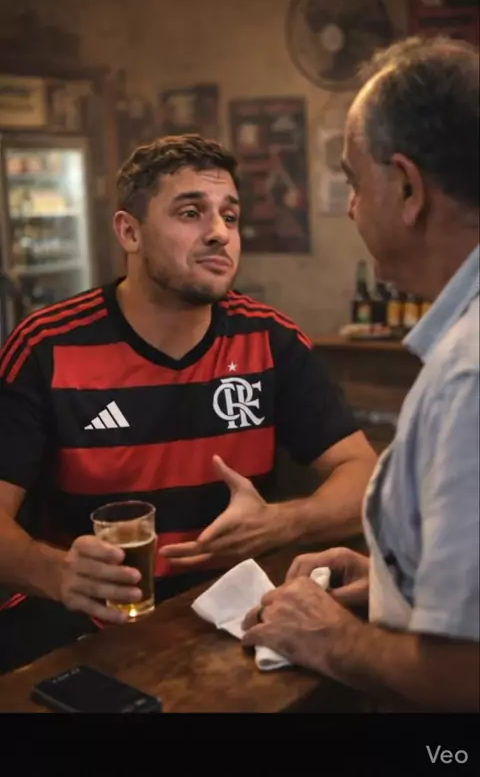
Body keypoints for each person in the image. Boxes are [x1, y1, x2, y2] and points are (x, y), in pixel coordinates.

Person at [0, 134, 376, 674]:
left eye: (230, 215)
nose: (219, 232)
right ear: (129, 232)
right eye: (191, 212)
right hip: (82, 633)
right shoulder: (47, 346)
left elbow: (362, 474)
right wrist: (58, 573)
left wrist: (282, 522)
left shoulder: (271, 341)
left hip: (228, 626)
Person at [242, 36, 480, 712]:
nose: (349, 207)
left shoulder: (468, 378)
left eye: (353, 181)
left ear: (407, 188)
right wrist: (390, 583)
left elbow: (465, 675)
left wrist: (332, 638)